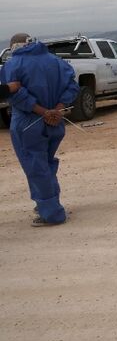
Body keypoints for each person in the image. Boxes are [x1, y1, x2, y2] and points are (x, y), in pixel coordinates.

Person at [0, 33, 79, 226]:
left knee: (36, 167)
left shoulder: (13, 65)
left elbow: (16, 94)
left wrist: (43, 111)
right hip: (55, 122)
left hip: (28, 123)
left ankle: (51, 213)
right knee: (46, 163)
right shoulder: (56, 61)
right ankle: (48, 203)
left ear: (13, 47)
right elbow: (72, 86)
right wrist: (57, 110)